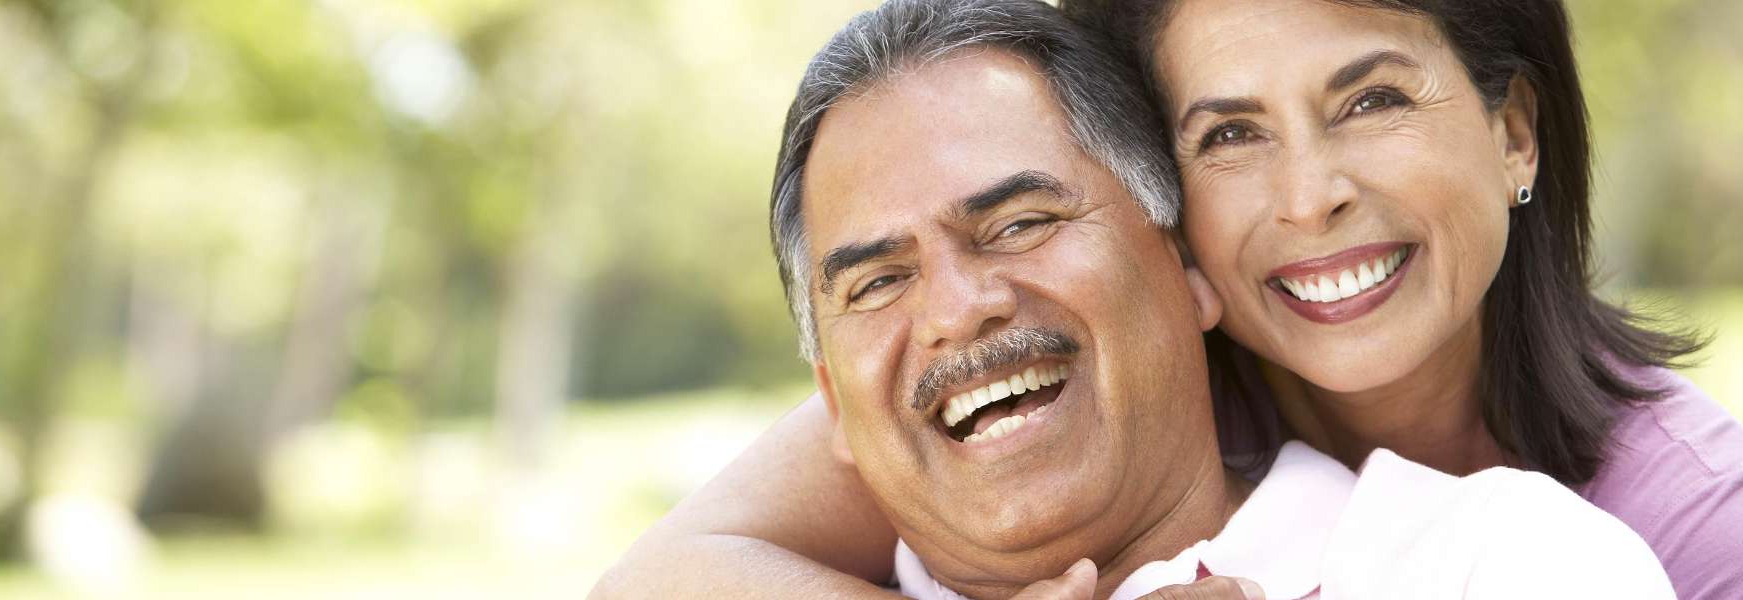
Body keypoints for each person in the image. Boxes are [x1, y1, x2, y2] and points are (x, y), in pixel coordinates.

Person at [594, 1, 1685, 598]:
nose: (958, 310)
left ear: (1187, 266)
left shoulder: (1506, 564)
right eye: (879, 281)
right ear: (833, 399)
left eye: (1020, 222)